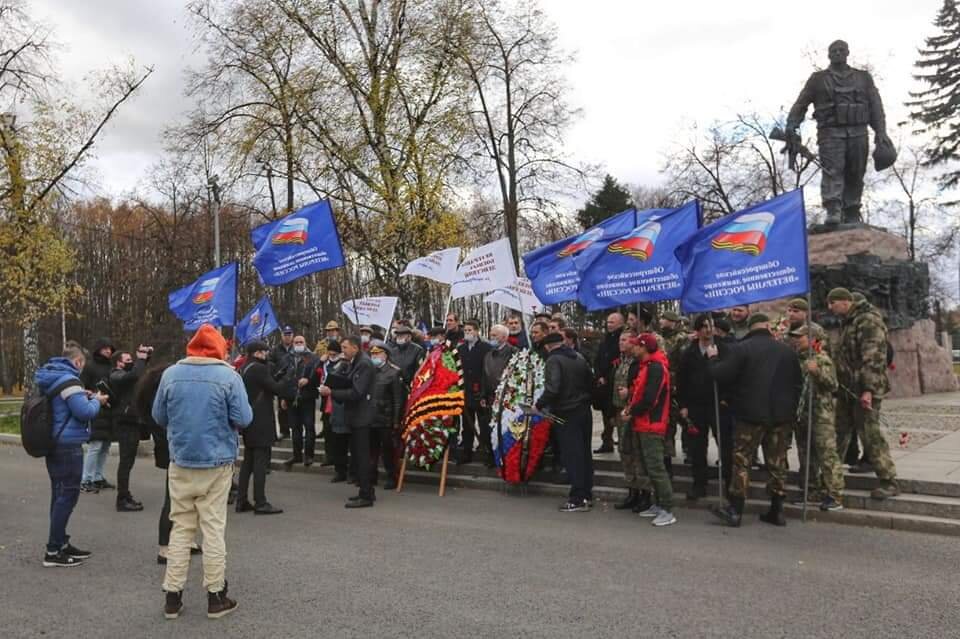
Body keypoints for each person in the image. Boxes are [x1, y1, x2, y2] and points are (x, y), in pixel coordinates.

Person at [152, 324, 253, 620]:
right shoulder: (228, 376)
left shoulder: (171, 374)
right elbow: (244, 417)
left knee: (181, 528)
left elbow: (159, 415)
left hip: (181, 459)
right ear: (220, 348)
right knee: (212, 528)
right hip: (217, 461)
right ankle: (216, 596)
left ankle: (172, 596)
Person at [707, 313, 802, 528]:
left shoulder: (741, 348)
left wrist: (713, 358)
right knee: (777, 463)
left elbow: (721, 375)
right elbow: (798, 383)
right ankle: (777, 510)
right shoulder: (787, 351)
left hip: (750, 415)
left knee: (741, 461)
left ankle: (735, 510)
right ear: (768, 327)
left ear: (750, 328)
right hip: (781, 417)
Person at [786, 40, 892, 224]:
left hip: (858, 131)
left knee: (856, 172)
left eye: (841, 50)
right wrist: (791, 125)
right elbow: (801, 103)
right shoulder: (817, 79)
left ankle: (852, 210)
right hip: (830, 133)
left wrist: (880, 132)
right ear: (828, 55)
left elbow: (875, 106)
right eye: (833, 51)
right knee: (832, 171)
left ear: (847, 53)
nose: (837, 53)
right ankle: (833, 209)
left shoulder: (863, 77)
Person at [35, 345, 108, 567]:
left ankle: (60, 542)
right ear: (77, 362)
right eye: (82, 364)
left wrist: (82, 395)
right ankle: (53, 551)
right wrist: (97, 401)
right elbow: (85, 412)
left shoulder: (54, 378)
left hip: (55, 443)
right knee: (67, 497)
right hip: (68, 447)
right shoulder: (70, 381)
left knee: (58, 496)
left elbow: (64, 404)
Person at [828, 287, 900, 499]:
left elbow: (873, 357)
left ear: (845, 301)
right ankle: (829, 477)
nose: (829, 307)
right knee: (838, 433)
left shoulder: (867, 321)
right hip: (848, 390)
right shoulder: (850, 322)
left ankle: (889, 480)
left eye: (832, 303)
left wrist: (868, 390)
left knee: (870, 435)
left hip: (863, 390)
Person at [676, 314, 734, 501]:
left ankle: (729, 484)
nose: (708, 330)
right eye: (704, 327)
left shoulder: (724, 349)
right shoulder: (689, 352)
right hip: (696, 406)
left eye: (711, 326)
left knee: (725, 445)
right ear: (698, 330)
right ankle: (699, 484)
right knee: (697, 447)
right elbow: (681, 380)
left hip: (719, 404)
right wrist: (683, 405)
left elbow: (731, 376)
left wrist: (727, 399)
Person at [788, 324, 846, 511]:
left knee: (826, 455)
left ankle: (835, 494)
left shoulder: (822, 359)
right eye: (796, 337)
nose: (797, 340)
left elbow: (833, 384)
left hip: (821, 414)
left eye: (801, 337)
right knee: (806, 455)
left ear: (813, 340)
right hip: (802, 415)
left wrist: (817, 372)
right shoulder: (797, 359)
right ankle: (811, 489)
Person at [535, 332, 595, 512]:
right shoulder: (578, 356)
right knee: (584, 452)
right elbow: (590, 382)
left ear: (547, 346)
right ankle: (586, 493)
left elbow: (553, 388)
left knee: (571, 454)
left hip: (566, 411)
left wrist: (539, 404)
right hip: (583, 409)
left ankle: (577, 497)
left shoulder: (553, 360)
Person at [621, 334, 676, 527]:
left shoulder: (656, 368)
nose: (633, 348)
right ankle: (659, 503)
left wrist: (632, 412)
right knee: (648, 467)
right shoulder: (647, 367)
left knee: (656, 467)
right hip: (643, 423)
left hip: (653, 424)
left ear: (643, 347)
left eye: (636, 345)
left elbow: (650, 398)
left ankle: (667, 508)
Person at [320, 336, 377, 508]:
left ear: (355, 347)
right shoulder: (354, 362)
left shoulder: (364, 364)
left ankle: (366, 495)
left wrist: (332, 392)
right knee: (358, 456)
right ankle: (366, 491)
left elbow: (356, 392)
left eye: (345, 347)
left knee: (362, 456)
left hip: (362, 416)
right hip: (354, 416)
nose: (342, 350)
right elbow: (349, 381)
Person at [237, 340, 293, 515]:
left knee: (248, 462)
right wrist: (287, 377)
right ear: (257, 353)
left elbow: (264, 385)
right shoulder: (259, 369)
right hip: (261, 422)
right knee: (260, 463)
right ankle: (260, 502)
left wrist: (277, 375)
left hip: (249, 420)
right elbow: (276, 389)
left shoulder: (245, 367)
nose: (267, 354)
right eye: (264, 352)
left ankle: (242, 500)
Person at [610, 329, 653, 514]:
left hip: (634, 413)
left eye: (626, 340)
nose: (621, 342)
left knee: (637, 454)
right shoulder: (621, 361)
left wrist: (629, 392)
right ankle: (632, 491)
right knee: (625, 452)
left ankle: (645, 494)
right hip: (621, 411)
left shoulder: (639, 363)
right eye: (620, 339)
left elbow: (642, 387)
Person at [109, 346, 152, 512]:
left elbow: (138, 373)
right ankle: (122, 498)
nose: (132, 363)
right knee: (126, 462)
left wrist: (146, 357)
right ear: (118, 363)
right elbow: (134, 374)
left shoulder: (126, 374)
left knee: (129, 461)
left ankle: (125, 495)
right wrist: (141, 360)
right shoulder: (116, 375)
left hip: (132, 421)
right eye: (128, 361)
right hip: (124, 423)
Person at [80, 338, 115, 493]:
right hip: (95, 409)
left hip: (110, 410)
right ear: (99, 349)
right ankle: (86, 479)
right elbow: (81, 388)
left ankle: (98, 477)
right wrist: (94, 397)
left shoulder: (111, 366)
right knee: (95, 446)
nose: (108, 351)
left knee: (105, 446)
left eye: (110, 349)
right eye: (105, 348)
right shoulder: (89, 366)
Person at [456, 319, 492, 465]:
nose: (467, 333)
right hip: (465, 391)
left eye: (470, 330)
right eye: (465, 331)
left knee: (484, 425)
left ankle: (488, 453)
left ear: (477, 331)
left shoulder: (486, 348)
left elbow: (487, 370)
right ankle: (467, 452)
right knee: (467, 424)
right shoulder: (461, 349)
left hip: (480, 391)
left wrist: (484, 391)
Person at [369, 342, 403, 490]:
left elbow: (397, 399)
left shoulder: (394, 373)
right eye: (372, 354)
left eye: (377, 354)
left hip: (385, 418)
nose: (374, 356)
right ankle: (371, 476)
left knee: (388, 450)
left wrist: (395, 421)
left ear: (386, 355)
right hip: (370, 417)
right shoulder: (369, 371)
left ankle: (391, 476)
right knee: (371, 450)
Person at [284, 334, 320, 468]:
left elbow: (319, 376)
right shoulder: (288, 358)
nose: (298, 344)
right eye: (296, 342)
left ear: (305, 343)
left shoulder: (313, 358)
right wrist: (284, 397)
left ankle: (309, 455)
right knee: (295, 428)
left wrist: (309, 381)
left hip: (307, 397)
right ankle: (296, 454)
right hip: (292, 398)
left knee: (309, 426)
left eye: (301, 342)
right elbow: (284, 379)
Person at [658, 311, 687, 472]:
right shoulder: (659, 338)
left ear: (673, 322)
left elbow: (682, 363)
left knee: (684, 421)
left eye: (665, 319)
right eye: (661, 318)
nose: (661, 321)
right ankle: (667, 460)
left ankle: (688, 450)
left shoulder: (681, 339)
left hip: (676, 385)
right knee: (667, 425)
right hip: (662, 385)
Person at [593, 312, 625, 454]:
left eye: (612, 322)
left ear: (620, 323)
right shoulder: (605, 340)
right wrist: (599, 375)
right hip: (604, 384)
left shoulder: (622, 339)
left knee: (617, 413)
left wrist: (608, 375)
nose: (608, 324)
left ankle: (623, 441)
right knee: (606, 414)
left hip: (616, 382)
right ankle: (607, 441)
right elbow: (598, 359)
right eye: (608, 322)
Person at [320, 340, 351, 482]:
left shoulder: (356, 366)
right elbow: (330, 381)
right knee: (338, 443)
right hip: (336, 409)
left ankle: (351, 472)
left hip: (349, 410)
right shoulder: (338, 366)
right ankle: (340, 471)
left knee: (349, 444)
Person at [270, 325, 296, 440]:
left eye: (289, 334)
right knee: (282, 408)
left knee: (295, 408)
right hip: (282, 382)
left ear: (292, 335)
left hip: (294, 383)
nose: (287, 337)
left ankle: (296, 429)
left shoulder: (297, 347)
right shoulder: (276, 350)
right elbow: (270, 363)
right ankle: (284, 431)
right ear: (282, 336)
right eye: (285, 334)